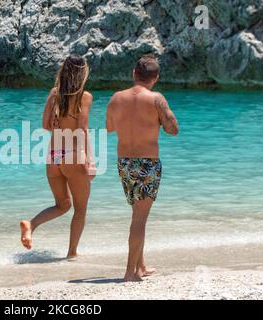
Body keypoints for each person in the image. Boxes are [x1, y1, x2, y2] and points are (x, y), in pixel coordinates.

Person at [106, 54, 179, 281]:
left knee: (138, 212)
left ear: (133, 74)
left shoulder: (116, 98)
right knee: (140, 218)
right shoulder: (157, 99)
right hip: (147, 163)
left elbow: (109, 128)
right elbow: (173, 129)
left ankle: (141, 266)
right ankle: (130, 272)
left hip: (124, 163)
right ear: (155, 78)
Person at [20, 54, 95, 259]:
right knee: (80, 209)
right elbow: (83, 129)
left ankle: (31, 224)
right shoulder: (84, 97)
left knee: (63, 204)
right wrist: (90, 161)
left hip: (53, 157)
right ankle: (72, 253)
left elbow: (45, 126)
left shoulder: (54, 93)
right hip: (73, 156)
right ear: (83, 73)